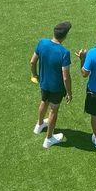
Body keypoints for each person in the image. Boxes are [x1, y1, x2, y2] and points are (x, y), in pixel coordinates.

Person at [30, 21, 73, 149]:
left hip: (44, 83)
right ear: (65, 36)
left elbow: (32, 62)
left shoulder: (42, 43)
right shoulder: (64, 52)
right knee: (53, 110)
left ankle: (39, 125)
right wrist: (69, 92)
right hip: (56, 88)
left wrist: (35, 75)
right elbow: (65, 77)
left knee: (44, 101)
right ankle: (49, 139)